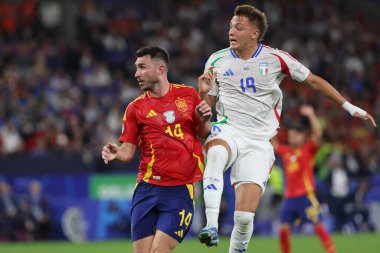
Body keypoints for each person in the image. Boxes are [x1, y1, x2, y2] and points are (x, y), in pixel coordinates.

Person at [197, 4, 377, 253]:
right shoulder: (217, 60)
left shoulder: (276, 58)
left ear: (254, 33)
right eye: (230, 26)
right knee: (215, 154)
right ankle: (211, 225)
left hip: (260, 141)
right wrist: (203, 95)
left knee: (244, 219)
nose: (231, 31)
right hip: (228, 129)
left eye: (239, 27)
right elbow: (205, 115)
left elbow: (313, 81)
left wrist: (348, 106)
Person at [101, 46, 212, 253]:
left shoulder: (188, 95)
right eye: (136, 68)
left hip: (180, 189)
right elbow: (127, 152)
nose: (136, 74)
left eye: (142, 67)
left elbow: (204, 132)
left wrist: (205, 115)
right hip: (147, 189)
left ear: (160, 69)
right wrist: (117, 153)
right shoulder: (135, 109)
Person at [272, 105, 336, 253]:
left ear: (303, 137)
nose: (292, 136)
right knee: (283, 231)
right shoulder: (286, 151)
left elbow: (318, 133)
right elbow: (273, 143)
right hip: (289, 199)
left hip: (305, 196)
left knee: (318, 226)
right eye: (291, 134)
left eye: (296, 134)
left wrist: (311, 114)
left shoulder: (308, 149)